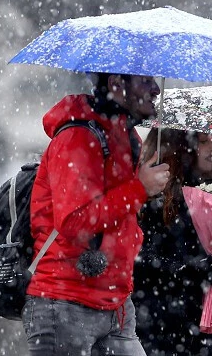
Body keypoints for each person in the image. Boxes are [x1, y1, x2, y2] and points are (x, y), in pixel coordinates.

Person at [24, 73, 170, 356]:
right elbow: (74, 222)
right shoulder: (78, 137)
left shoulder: (125, 137)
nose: (155, 89)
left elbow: (118, 214)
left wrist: (148, 191)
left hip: (115, 305)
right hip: (64, 303)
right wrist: (139, 188)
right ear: (116, 83)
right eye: (144, 81)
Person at [133, 128, 212, 356]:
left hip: (195, 328)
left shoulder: (207, 196)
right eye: (203, 141)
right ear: (183, 149)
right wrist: (207, 270)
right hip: (158, 329)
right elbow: (143, 263)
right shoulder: (153, 200)